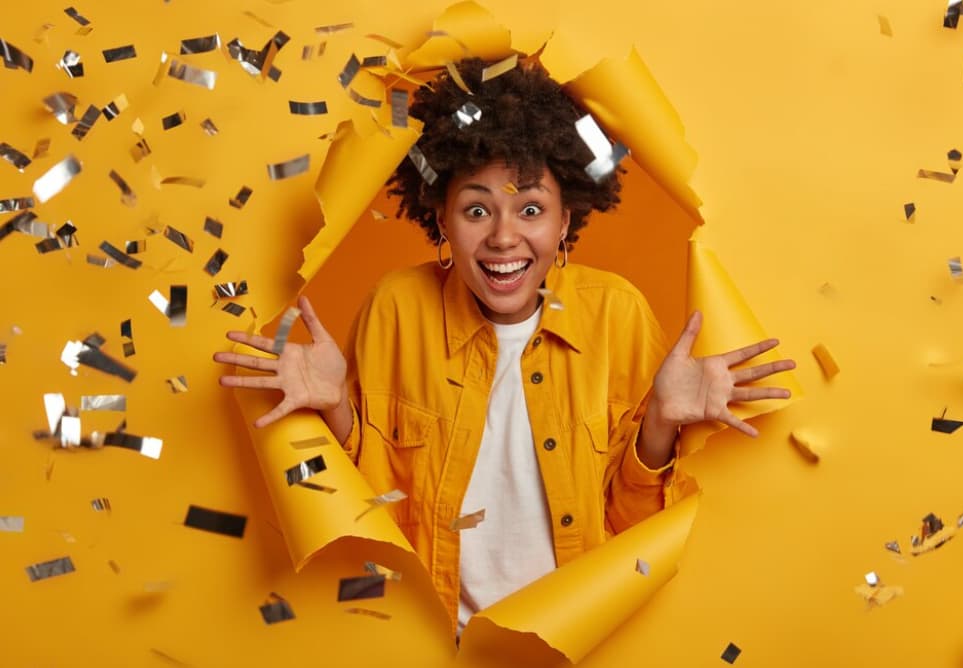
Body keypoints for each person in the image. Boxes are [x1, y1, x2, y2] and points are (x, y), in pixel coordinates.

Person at [214, 57, 795, 631]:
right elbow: (376, 504)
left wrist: (662, 424)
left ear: (565, 218)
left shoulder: (617, 313)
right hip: (438, 638)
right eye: (476, 209)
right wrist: (333, 407)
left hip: (577, 638)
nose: (503, 237)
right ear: (441, 216)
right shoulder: (396, 306)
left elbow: (633, 529)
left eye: (532, 209)